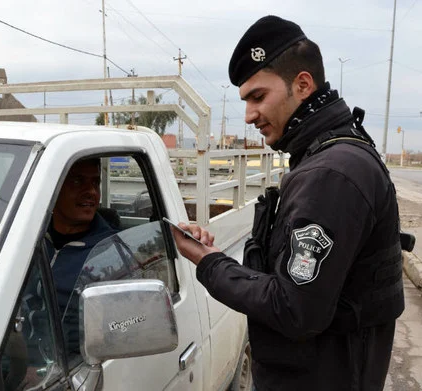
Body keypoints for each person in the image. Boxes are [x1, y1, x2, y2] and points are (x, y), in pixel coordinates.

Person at [172, 15, 404, 391]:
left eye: (258, 97)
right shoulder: (329, 156)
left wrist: (209, 263)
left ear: (303, 84)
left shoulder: (330, 174)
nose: (249, 115)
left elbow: (294, 310)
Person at [14, 158, 118, 390]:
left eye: (95, 182)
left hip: (64, 374)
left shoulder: (110, 253)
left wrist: (38, 367)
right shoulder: (25, 237)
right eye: (78, 181)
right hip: (8, 353)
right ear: (53, 189)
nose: (90, 191)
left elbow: (113, 336)